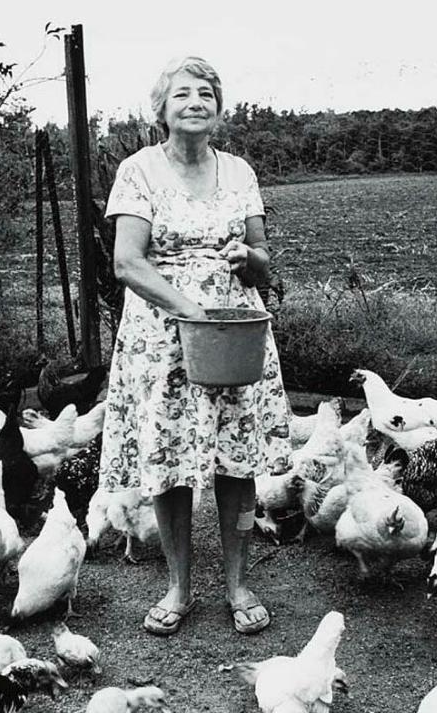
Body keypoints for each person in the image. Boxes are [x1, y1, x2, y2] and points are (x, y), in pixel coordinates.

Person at [98, 56, 292, 636]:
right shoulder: (138, 170)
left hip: (235, 327)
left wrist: (247, 259)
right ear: (161, 108)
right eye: (182, 94)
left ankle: (237, 583)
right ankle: (179, 586)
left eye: (206, 94)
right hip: (164, 332)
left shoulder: (238, 171)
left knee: (240, 455)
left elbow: (262, 263)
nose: (195, 103)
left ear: (218, 108)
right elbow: (127, 262)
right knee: (169, 458)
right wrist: (191, 312)